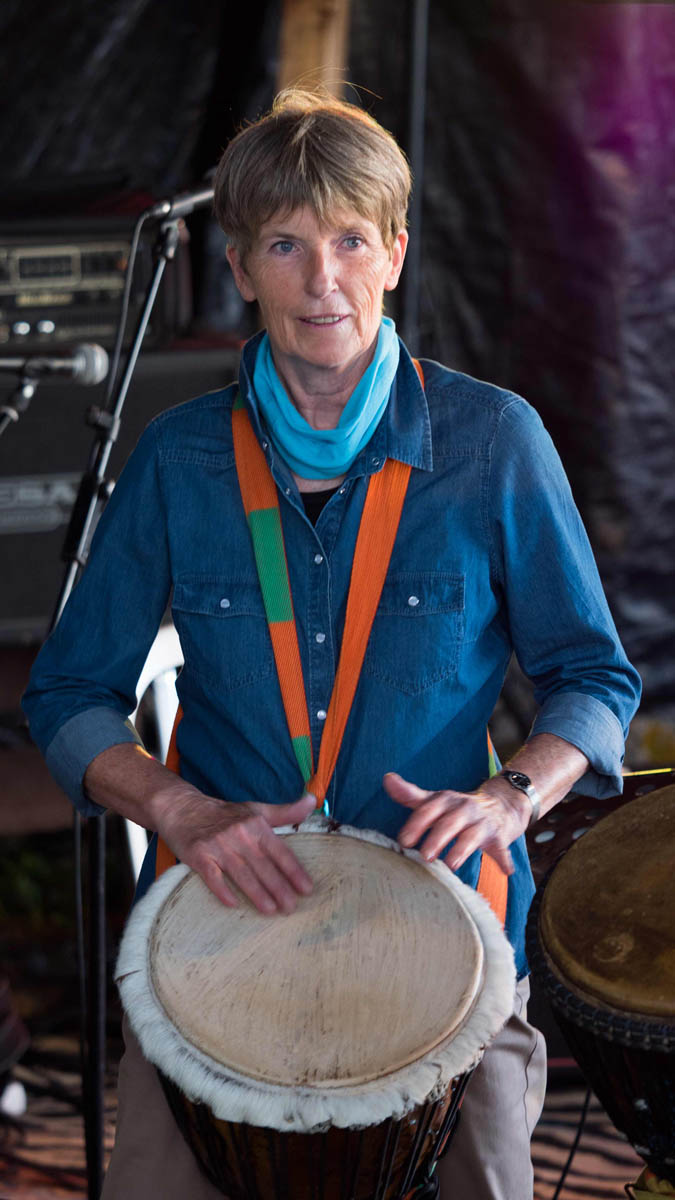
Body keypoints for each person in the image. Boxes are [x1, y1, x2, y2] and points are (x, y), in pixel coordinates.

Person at [23, 89, 640, 1200]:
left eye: (352, 240)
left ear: (395, 255)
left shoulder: (493, 442)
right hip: (218, 928)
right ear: (240, 267)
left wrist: (508, 800)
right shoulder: (178, 458)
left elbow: (594, 678)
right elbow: (68, 693)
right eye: (286, 245)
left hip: (449, 923)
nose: (322, 280)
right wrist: (178, 809)